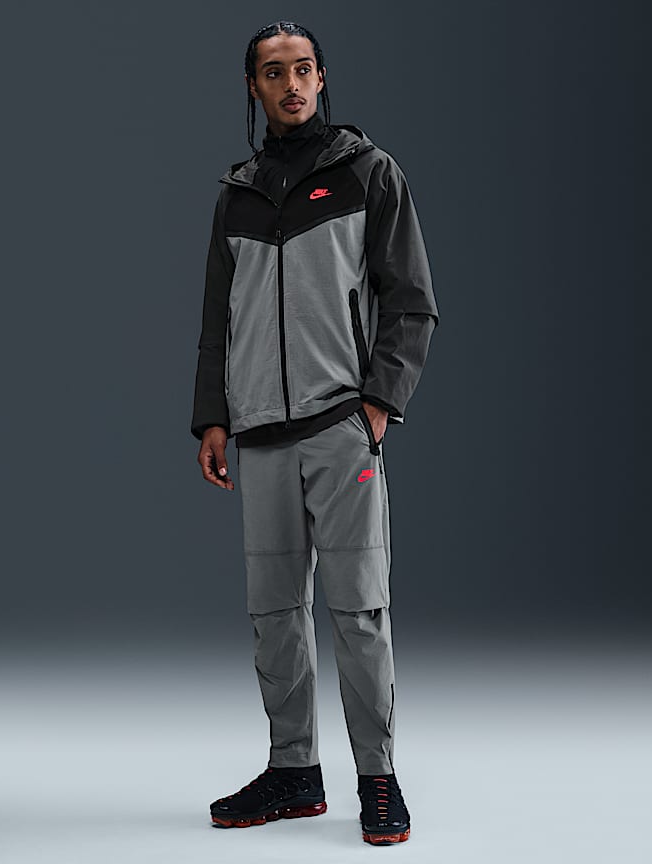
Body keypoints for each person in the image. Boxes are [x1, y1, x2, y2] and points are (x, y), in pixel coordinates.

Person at [191, 20, 439, 846]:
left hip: (340, 427)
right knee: (274, 614)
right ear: (254, 87)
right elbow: (216, 323)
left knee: (359, 609)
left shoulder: (368, 174)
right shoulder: (237, 195)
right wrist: (214, 416)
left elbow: (412, 302)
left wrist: (379, 404)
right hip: (260, 433)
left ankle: (379, 778)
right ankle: (294, 771)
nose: (290, 84)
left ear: (322, 78)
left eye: (302, 69)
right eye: (273, 72)